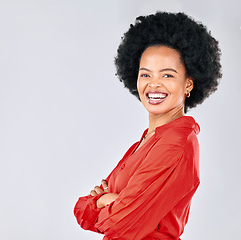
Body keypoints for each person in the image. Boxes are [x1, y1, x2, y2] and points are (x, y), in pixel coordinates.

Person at [74, 12, 222, 240]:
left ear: (188, 83)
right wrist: (105, 202)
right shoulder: (146, 141)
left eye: (167, 75)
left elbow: (120, 224)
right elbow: (82, 211)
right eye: (145, 74)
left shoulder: (176, 145)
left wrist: (104, 200)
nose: (154, 84)